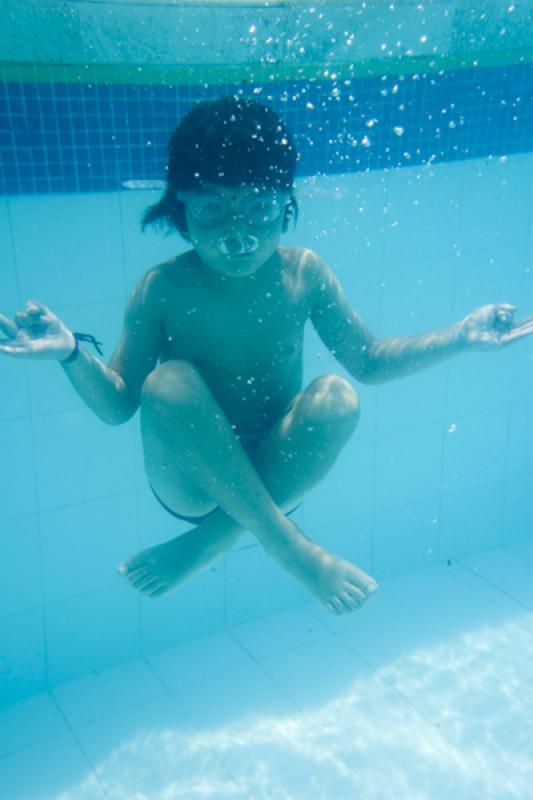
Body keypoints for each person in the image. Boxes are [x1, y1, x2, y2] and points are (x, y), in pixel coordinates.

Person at [1, 96, 532, 617]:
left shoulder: (305, 273)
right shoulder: (161, 287)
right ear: (181, 209)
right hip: (192, 484)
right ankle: (289, 547)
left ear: (285, 202)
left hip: (281, 472)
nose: (238, 236)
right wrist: (71, 353)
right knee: (169, 381)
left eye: (259, 209)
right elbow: (119, 405)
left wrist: (459, 336)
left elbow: (368, 361)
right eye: (212, 210)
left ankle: (211, 542)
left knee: (337, 396)